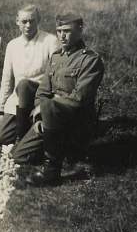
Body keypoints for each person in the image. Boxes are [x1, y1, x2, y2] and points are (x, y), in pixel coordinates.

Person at [11, 13, 104, 186]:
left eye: (67, 31)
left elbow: (79, 99)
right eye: (59, 31)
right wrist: (41, 116)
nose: (62, 35)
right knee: (19, 156)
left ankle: (52, 171)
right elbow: (42, 91)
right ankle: (56, 147)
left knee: (51, 105)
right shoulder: (56, 57)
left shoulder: (90, 60)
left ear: (80, 30)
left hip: (75, 122)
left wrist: (47, 108)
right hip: (50, 117)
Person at [0, 5, 59, 145]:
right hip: (18, 101)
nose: (28, 25)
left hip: (41, 97)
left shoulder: (50, 41)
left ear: (39, 20)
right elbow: (6, 80)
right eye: (24, 21)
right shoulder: (12, 45)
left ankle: (24, 136)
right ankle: (28, 131)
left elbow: (56, 76)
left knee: (24, 84)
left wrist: (46, 105)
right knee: (2, 137)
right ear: (17, 21)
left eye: (32, 21)